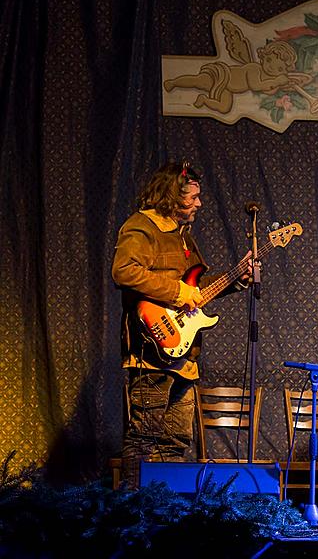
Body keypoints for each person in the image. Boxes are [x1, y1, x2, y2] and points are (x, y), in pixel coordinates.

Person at [111, 162, 248, 488]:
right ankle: (136, 517)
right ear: (172, 196)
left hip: (184, 357)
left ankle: (167, 512)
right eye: (193, 197)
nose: (199, 204)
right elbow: (124, 271)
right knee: (145, 436)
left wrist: (236, 278)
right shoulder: (141, 227)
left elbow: (196, 291)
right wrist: (176, 292)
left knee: (175, 440)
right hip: (150, 353)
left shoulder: (183, 237)